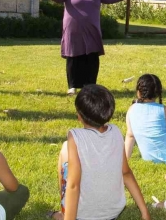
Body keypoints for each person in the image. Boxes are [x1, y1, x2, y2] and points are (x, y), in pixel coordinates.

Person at [53, 85, 150, 220]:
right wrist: (144, 212)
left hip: (81, 215)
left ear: (79, 116)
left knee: (65, 149)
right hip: (112, 214)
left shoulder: (75, 136)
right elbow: (126, 173)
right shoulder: (115, 131)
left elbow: (73, 185)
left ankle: (63, 213)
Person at [40, 0, 140, 95]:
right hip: (73, 30)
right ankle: (72, 86)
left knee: (91, 58)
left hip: (92, 30)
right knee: (74, 57)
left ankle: (90, 86)